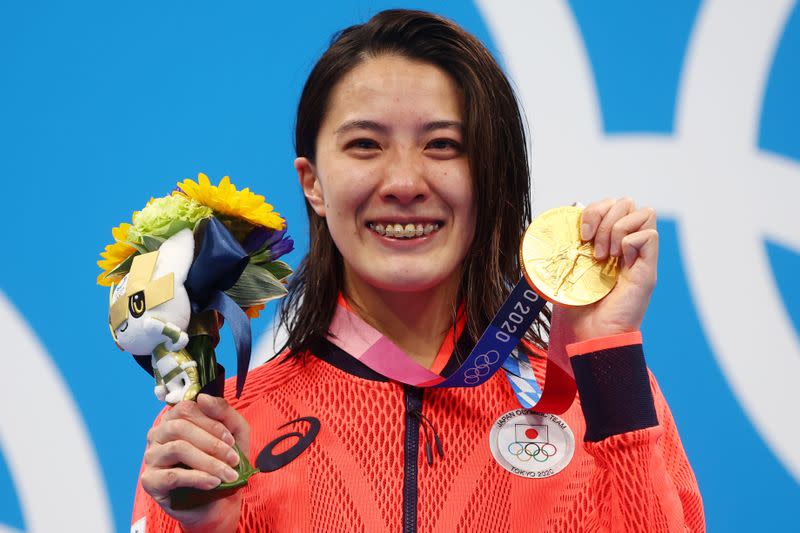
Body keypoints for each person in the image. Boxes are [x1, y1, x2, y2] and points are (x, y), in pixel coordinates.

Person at [132, 9, 704, 532]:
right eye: (364, 145)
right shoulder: (221, 437)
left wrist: (607, 354)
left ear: (490, 176)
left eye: (443, 145)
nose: (405, 183)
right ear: (312, 183)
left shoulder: (597, 398)